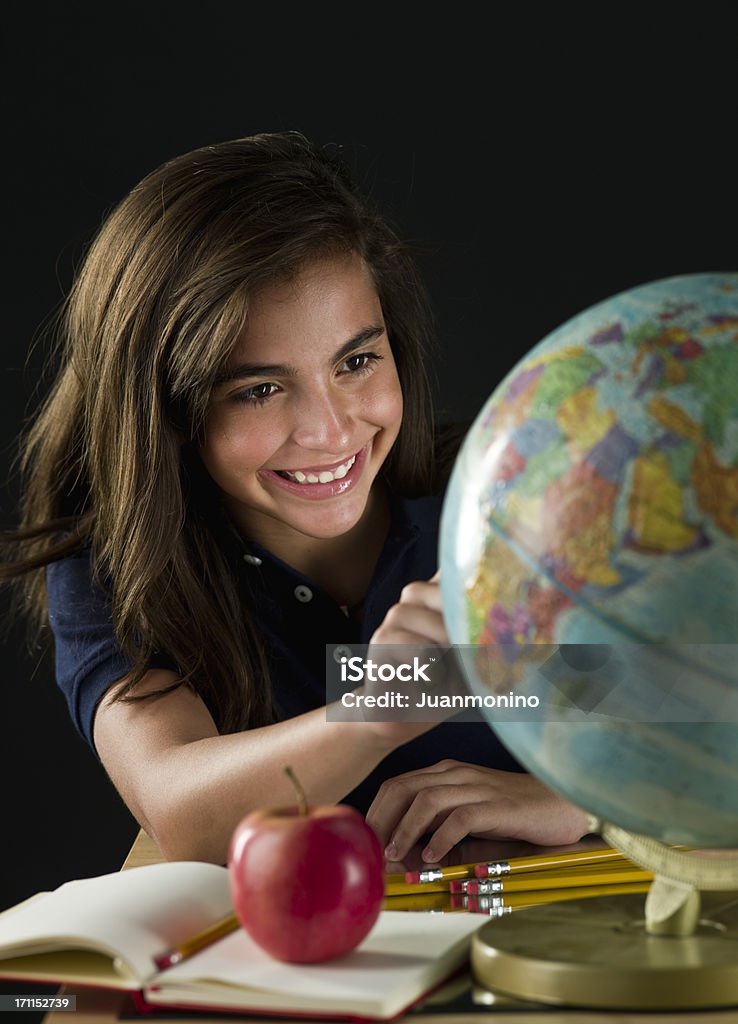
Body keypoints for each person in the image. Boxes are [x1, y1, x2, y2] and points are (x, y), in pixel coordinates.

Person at [1, 131, 588, 866]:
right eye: (260, 389)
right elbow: (178, 808)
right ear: (168, 411)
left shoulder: (521, 496)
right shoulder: (118, 570)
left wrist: (585, 799)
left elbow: (698, 713)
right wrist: (379, 709)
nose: (331, 430)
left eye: (356, 360)